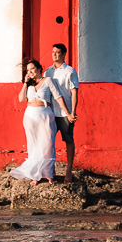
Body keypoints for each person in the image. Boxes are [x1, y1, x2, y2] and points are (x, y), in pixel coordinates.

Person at [11, 59, 75, 185]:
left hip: (45, 115)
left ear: (39, 69)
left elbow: (58, 97)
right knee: (33, 145)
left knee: (47, 145)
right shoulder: (29, 84)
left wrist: (68, 112)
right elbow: (21, 99)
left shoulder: (48, 81)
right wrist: (25, 82)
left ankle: (49, 175)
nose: (30, 72)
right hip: (30, 116)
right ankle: (36, 175)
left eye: (32, 69)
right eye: (28, 70)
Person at [44, 43, 79, 184]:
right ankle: (50, 170)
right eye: (53, 52)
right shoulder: (47, 72)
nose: (55, 54)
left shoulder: (70, 71)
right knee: (48, 142)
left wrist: (72, 112)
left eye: (58, 52)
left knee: (68, 140)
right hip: (51, 112)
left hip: (66, 114)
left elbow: (74, 92)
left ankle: (69, 170)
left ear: (64, 54)